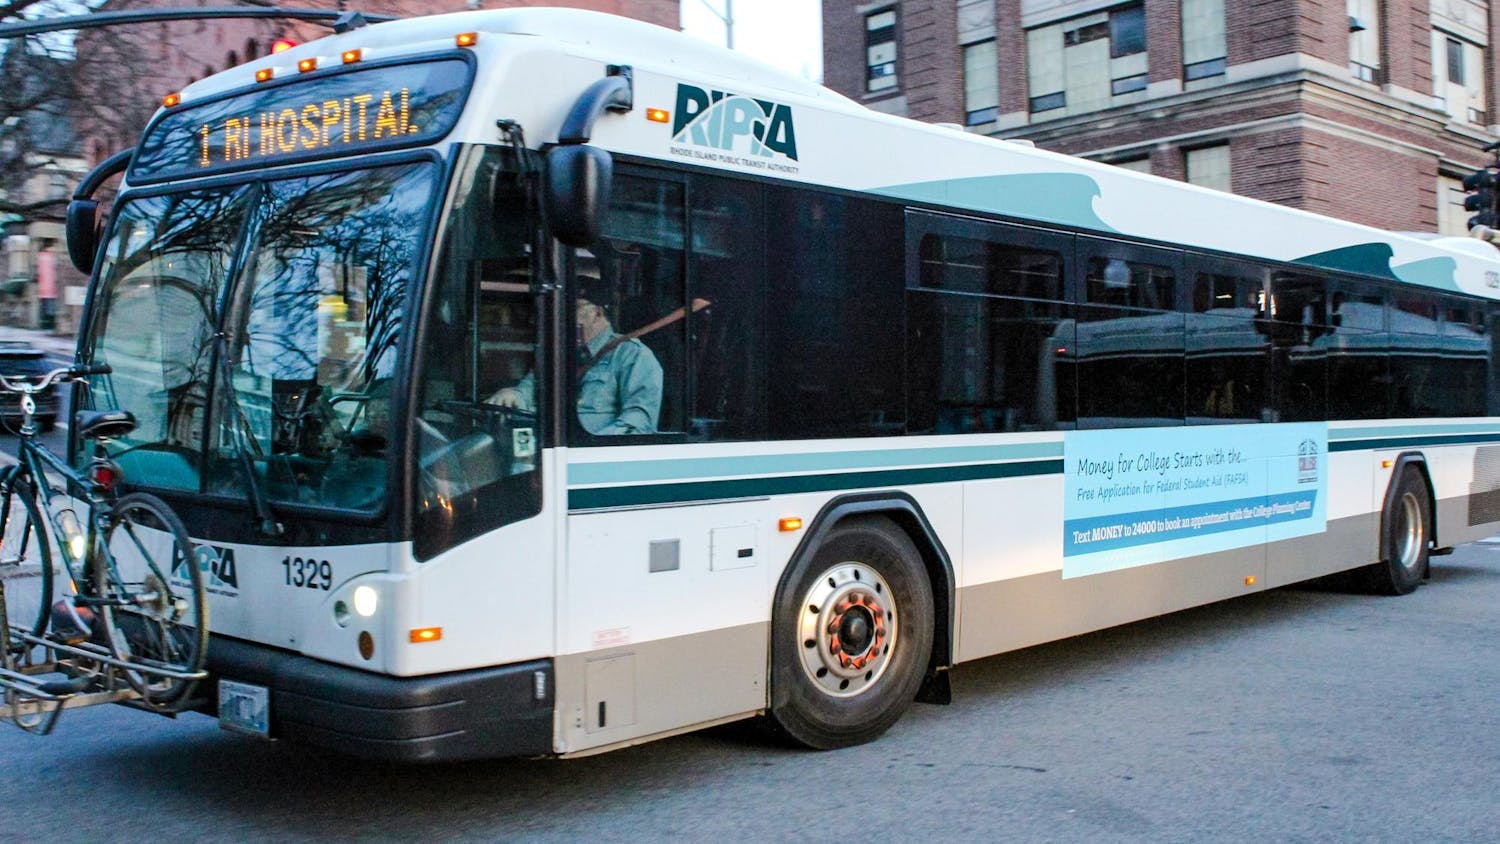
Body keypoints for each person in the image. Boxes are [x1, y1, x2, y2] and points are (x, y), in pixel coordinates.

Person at [489, 268, 663, 435]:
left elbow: (637, 424)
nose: (563, 317)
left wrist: (589, 446)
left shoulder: (631, 355)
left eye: (574, 309)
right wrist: (512, 394)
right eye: (560, 309)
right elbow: (528, 390)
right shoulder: (558, 355)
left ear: (598, 313)